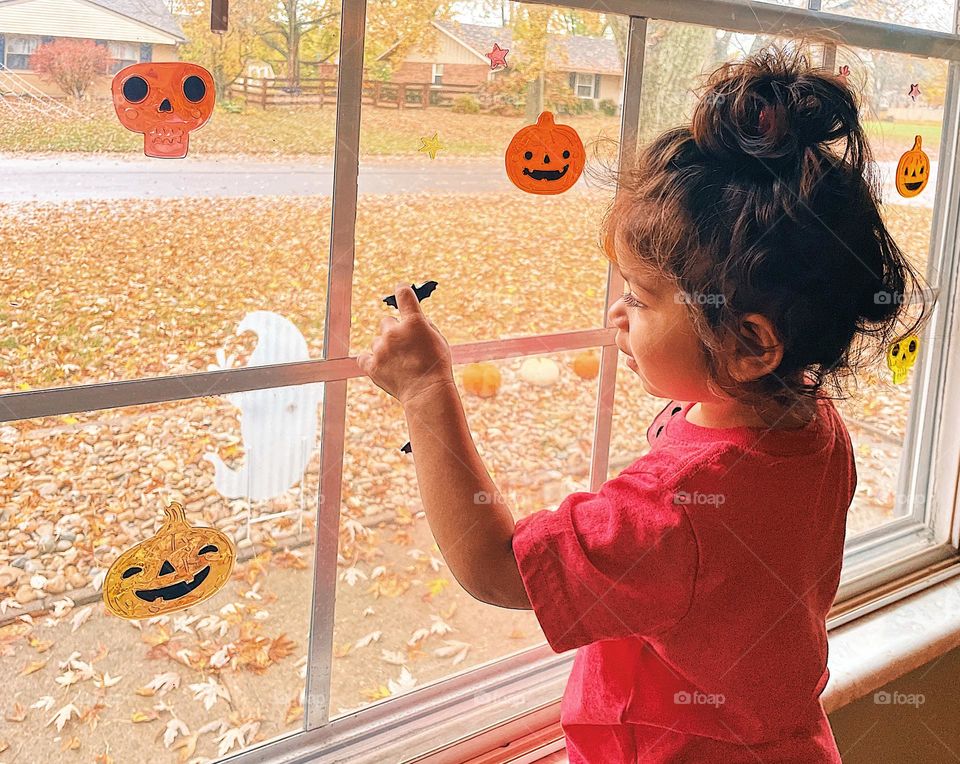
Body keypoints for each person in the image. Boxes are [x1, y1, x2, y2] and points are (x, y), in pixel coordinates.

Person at [358, 42, 933, 763]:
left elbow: (497, 566)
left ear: (752, 346)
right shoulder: (815, 425)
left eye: (639, 296)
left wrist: (425, 390)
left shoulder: (676, 507)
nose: (616, 317)